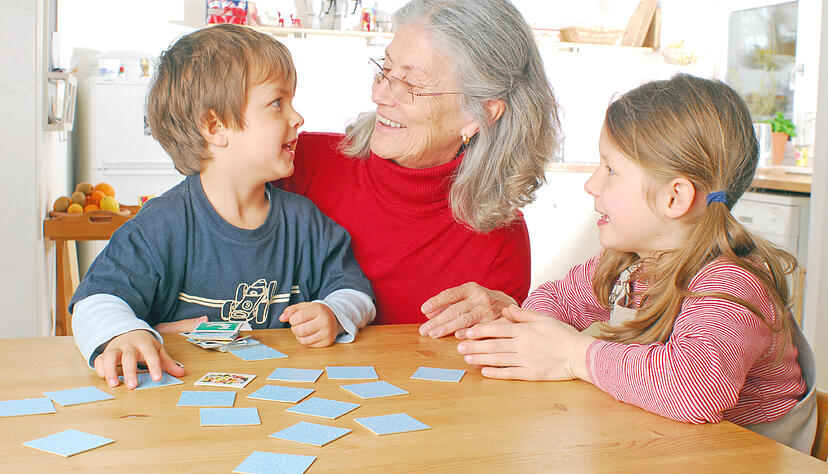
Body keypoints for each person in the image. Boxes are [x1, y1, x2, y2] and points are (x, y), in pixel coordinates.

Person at [455, 74, 816, 452]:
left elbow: (694, 390)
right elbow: (554, 300)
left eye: (610, 170)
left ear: (674, 198)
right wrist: (536, 331)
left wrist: (572, 354)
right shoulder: (629, 265)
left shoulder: (730, 284)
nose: (591, 184)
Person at [70, 24, 375, 390]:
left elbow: (356, 292)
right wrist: (125, 334)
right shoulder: (161, 225)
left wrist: (335, 313)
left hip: (284, 402)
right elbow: (96, 299)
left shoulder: (305, 222)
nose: (297, 117)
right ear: (215, 127)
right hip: (180, 410)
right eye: (277, 103)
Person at [280, 0, 561, 333]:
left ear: (481, 114)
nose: (380, 94)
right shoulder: (296, 162)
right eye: (385, 68)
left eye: (411, 84)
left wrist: (509, 323)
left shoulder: (500, 243)